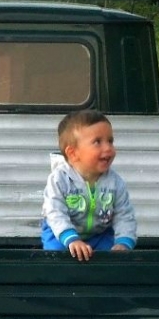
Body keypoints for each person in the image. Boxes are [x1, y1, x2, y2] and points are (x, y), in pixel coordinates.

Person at [41, 110, 137, 261]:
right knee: (57, 258)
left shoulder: (115, 182)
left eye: (110, 141)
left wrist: (123, 242)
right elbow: (55, 212)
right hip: (61, 233)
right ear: (73, 153)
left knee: (112, 259)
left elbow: (124, 215)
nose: (108, 148)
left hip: (100, 233)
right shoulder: (59, 179)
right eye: (98, 142)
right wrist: (72, 239)